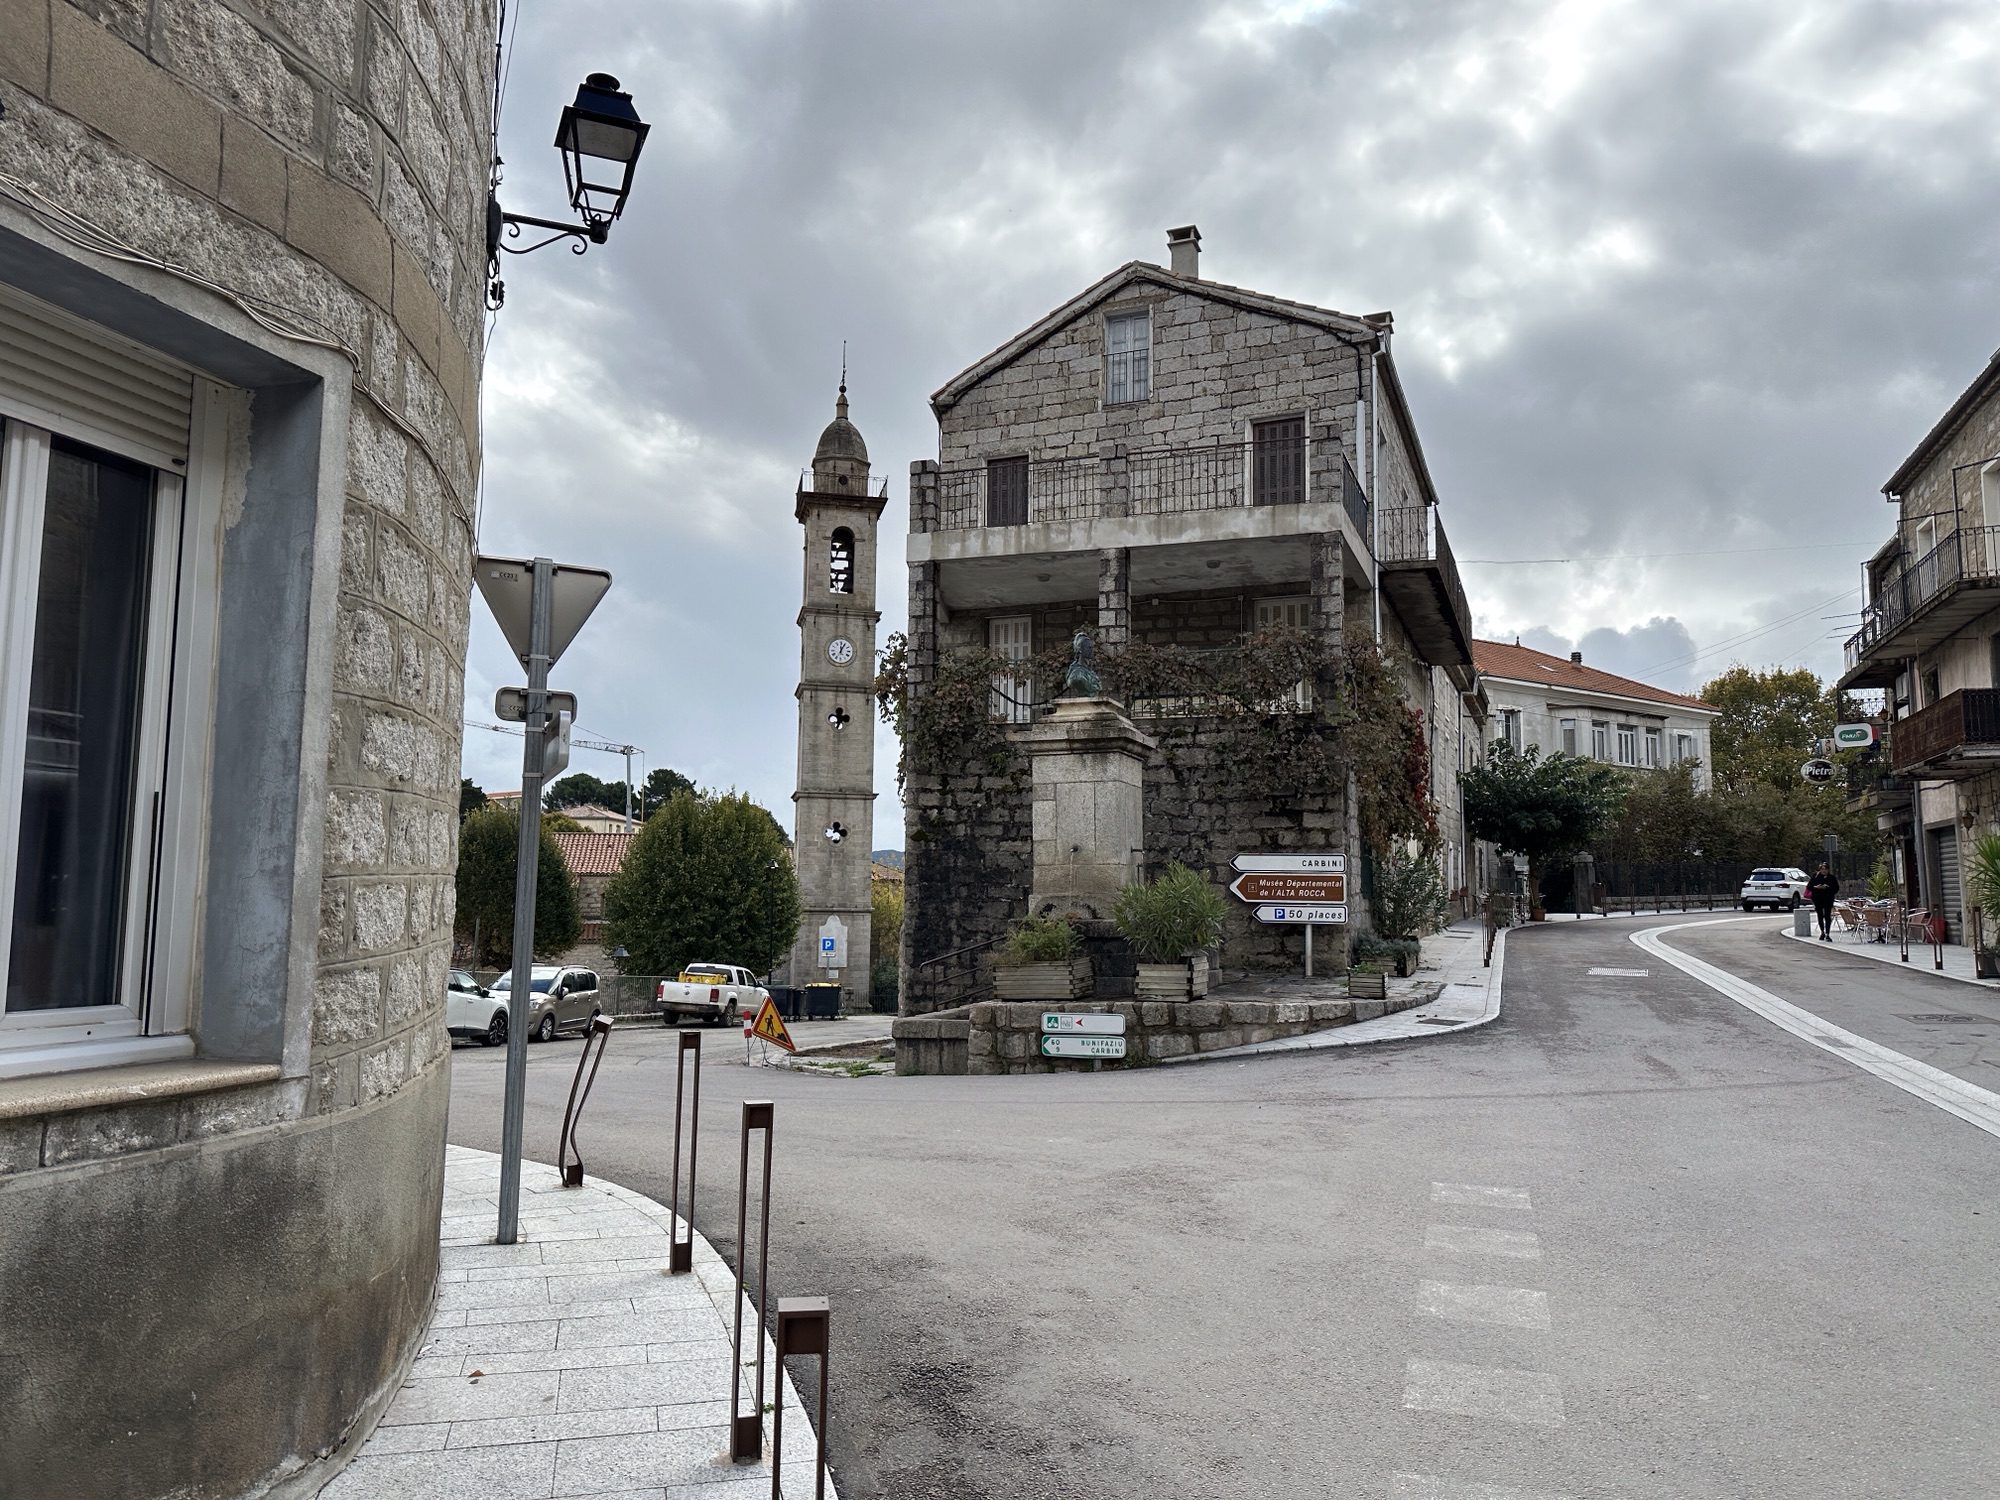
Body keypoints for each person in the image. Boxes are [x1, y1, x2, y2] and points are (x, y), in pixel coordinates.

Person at [1806, 864, 1840, 941]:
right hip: (1817, 898)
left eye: (1825, 869)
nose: (1824, 871)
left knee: (1827, 915)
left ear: (1828, 870)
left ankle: (1827, 933)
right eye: (1822, 869)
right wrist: (1816, 887)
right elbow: (1809, 886)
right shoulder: (1816, 877)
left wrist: (1828, 888)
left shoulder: (1831, 878)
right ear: (1820, 870)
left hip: (1828, 898)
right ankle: (1822, 932)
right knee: (1820, 915)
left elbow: (1836, 888)